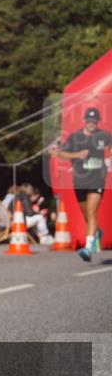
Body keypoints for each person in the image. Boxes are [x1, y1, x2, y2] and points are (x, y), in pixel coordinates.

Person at [51, 106, 111, 262]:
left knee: (91, 213)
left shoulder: (103, 135)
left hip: (97, 179)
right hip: (80, 181)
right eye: (89, 120)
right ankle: (97, 232)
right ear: (85, 121)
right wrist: (77, 154)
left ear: (98, 121)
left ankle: (88, 248)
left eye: (94, 120)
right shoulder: (75, 137)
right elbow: (60, 153)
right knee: (86, 215)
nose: (92, 123)